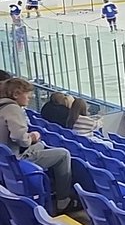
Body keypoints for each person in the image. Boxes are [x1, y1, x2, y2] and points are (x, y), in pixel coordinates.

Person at [0, 77, 76, 213]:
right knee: (63, 154)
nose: (30, 97)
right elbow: (20, 138)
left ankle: (52, 186)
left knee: (40, 146)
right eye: (27, 93)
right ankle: (63, 201)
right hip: (16, 162)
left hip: (5, 159)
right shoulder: (13, 109)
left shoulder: (2, 106)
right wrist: (32, 137)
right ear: (16, 94)